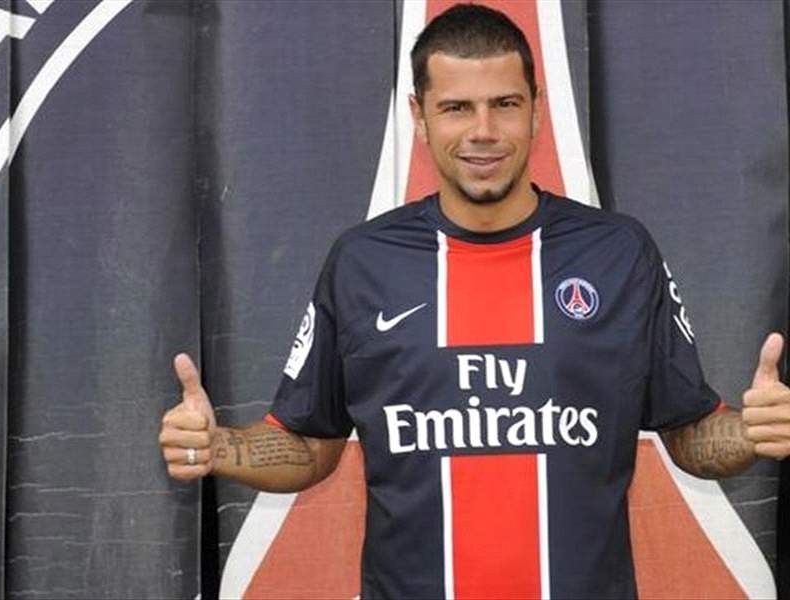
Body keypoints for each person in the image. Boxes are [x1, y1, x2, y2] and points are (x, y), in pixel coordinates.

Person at [159, 4, 790, 598]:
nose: (483, 132)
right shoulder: (363, 262)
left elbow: (690, 433)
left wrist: (747, 434)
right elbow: (309, 444)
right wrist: (222, 449)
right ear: (420, 116)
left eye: (505, 104)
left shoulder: (619, 253)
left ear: (536, 110)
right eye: (457, 107)